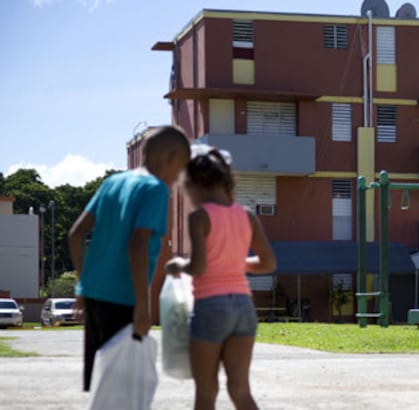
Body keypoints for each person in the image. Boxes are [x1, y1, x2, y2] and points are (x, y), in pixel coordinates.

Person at [68, 125, 191, 392]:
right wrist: (142, 305)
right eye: (182, 167)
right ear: (172, 159)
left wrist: (83, 285)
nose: (181, 176)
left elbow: (76, 234)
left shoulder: (112, 183)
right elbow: (138, 245)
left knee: (103, 383)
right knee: (122, 388)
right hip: (123, 299)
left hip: (94, 296)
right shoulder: (156, 190)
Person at [166, 146, 276, 410]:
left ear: (195, 185)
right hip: (244, 307)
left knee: (206, 392)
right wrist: (237, 265)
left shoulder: (199, 217)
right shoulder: (247, 215)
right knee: (240, 390)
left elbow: (199, 268)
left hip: (211, 307)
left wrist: (178, 264)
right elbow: (268, 263)